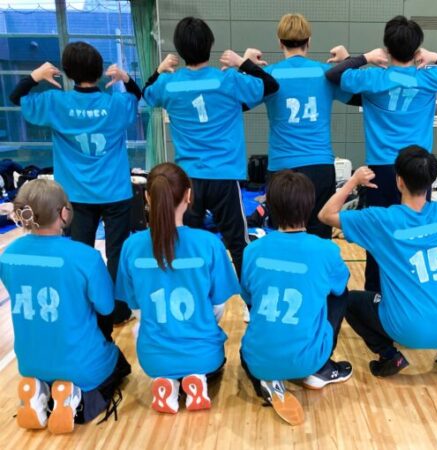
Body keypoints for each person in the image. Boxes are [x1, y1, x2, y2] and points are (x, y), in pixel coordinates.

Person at [319, 146, 437, 376]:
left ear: (399, 181)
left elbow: (325, 215)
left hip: (404, 329)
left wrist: (353, 181)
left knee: (350, 301)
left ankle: (389, 356)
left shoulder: (381, 220)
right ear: (431, 182)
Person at [325, 15, 437, 293]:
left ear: (387, 48)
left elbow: (333, 75)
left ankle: (375, 293)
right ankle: (410, 290)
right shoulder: (429, 77)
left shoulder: (372, 78)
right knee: (415, 232)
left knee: (378, 234)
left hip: (381, 169)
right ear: (416, 50)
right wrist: (433, 56)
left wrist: (364, 58)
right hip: (418, 170)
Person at [10, 41, 142, 332]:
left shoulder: (56, 103)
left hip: (75, 195)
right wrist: (126, 78)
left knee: (80, 252)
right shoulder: (115, 104)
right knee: (117, 252)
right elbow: (137, 96)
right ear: (99, 71)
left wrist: (35, 76)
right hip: (115, 191)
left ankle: (85, 307)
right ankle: (118, 310)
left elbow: (16, 96)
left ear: (68, 73)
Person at [143, 16, 279, 278]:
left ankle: (191, 292)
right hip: (224, 176)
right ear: (210, 44)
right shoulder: (228, 80)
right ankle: (251, 298)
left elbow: (147, 93)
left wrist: (159, 70)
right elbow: (271, 86)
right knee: (238, 244)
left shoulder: (169, 84)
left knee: (186, 244)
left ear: (179, 49)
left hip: (188, 181)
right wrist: (243, 63)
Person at [0, 180, 130, 434]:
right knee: (118, 363)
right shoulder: (85, 256)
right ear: (63, 213)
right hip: (81, 366)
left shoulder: (9, 255)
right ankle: (73, 396)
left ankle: (39, 389)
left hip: (29, 362)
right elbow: (106, 308)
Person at [116, 162, 239, 414]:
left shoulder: (131, 246)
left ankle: (166, 381)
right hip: (205, 356)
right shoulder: (209, 244)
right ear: (189, 196)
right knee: (209, 348)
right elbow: (218, 307)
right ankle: (196, 378)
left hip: (153, 359)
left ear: (147, 197)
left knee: (143, 331)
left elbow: (136, 309)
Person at [246, 13, 379, 239]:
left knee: (283, 236)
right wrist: (349, 60)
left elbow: (235, 97)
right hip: (319, 167)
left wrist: (245, 65)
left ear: (280, 42)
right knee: (319, 234)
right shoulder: (325, 74)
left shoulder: (270, 75)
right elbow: (363, 95)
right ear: (309, 41)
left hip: (282, 168)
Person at [240, 171, 351, 425]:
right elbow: (339, 285)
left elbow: (248, 297)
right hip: (308, 360)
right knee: (340, 293)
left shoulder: (252, 250)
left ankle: (267, 376)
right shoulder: (326, 249)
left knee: (252, 333)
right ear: (310, 206)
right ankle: (319, 367)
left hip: (255, 358)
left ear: (270, 206)